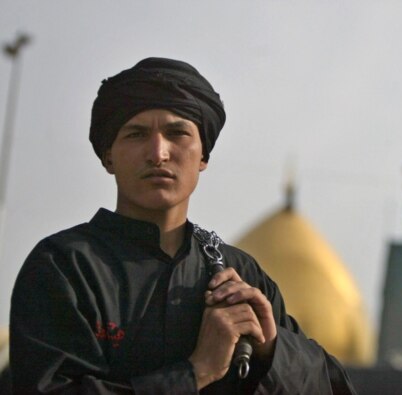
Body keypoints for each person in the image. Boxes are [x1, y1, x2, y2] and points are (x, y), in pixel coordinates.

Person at [9, 58, 356, 394]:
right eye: (136, 134)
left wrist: (271, 350)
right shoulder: (66, 267)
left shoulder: (240, 275)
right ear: (108, 156)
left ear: (203, 156)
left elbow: (333, 386)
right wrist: (196, 372)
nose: (158, 153)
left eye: (177, 133)